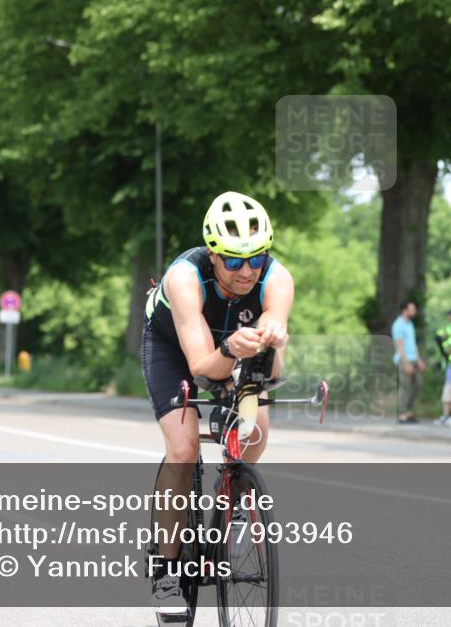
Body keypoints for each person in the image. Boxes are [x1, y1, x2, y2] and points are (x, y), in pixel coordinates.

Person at [141, 191, 293, 616]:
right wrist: (231, 349)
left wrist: (271, 342)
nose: (246, 272)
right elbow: (204, 370)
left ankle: (235, 496)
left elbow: (273, 372)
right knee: (185, 448)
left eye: (256, 259)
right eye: (233, 260)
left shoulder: (277, 279)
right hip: (177, 350)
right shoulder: (184, 279)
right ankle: (166, 569)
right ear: (212, 254)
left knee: (256, 426)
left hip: (232, 346)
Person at [392, 301, 424, 423]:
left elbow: (413, 343)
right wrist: (406, 364)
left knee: (417, 385)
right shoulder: (398, 325)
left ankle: (409, 412)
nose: (414, 311)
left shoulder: (410, 324)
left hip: (414, 358)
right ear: (405, 310)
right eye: (412, 309)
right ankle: (401, 413)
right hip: (404, 359)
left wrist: (419, 359)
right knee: (405, 387)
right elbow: (400, 346)